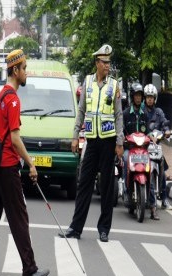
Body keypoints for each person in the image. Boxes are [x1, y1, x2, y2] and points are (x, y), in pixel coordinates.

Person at [0, 49, 49, 276]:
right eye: (24, 68)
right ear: (15, 70)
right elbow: (15, 139)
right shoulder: (12, 99)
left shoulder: (3, 94)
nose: (27, 72)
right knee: (19, 217)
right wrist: (31, 163)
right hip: (6, 166)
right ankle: (30, 268)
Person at [59, 44, 124, 243]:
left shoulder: (114, 86)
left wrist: (120, 142)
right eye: (104, 62)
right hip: (91, 141)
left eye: (109, 62)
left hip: (108, 140)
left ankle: (104, 229)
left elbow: (118, 114)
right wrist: (74, 135)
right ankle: (75, 228)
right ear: (97, 63)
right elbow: (80, 111)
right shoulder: (87, 82)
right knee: (84, 183)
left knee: (106, 185)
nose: (107, 66)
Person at [121, 83, 149, 213]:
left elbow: (148, 132)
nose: (138, 98)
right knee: (126, 159)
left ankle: (152, 199)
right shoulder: (126, 113)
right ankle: (127, 190)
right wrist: (123, 140)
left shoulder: (145, 114)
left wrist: (152, 138)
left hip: (142, 150)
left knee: (152, 164)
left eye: (140, 96)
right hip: (129, 148)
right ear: (132, 97)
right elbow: (120, 131)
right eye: (136, 95)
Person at [144, 84, 171, 211]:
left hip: (156, 147)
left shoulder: (159, 112)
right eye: (148, 97)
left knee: (162, 171)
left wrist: (166, 131)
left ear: (155, 98)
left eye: (152, 97)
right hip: (144, 147)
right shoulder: (142, 112)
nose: (150, 99)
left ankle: (164, 198)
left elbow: (165, 123)